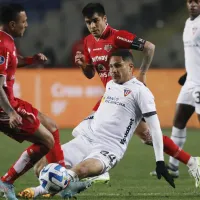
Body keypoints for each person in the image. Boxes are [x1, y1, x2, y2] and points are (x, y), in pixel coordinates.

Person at [18, 49, 177, 199]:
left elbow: (155, 127)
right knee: (40, 167)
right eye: (111, 66)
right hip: (86, 139)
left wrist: (160, 161)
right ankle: (78, 183)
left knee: (81, 169)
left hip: (108, 148)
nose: (113, 70)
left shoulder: (141, 92)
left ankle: (38, 190)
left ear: (130, 67)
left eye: (118, 66)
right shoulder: (111, 85)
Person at [73, 2, 197, 181]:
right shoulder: (88, 42)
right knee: (147, 136)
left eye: (95, 21)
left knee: (86, 130)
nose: (92, 26)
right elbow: (91, 73)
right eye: (88, 22)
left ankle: (100, 168)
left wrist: (143, 74)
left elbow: (150, 47)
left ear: (104, 19)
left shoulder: (117, 37)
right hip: (111, 97)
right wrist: (83, 65)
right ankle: (192, 162)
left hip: (127, 96)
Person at [0, 4, 65, 199]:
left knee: (52, 126)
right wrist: (11, 112)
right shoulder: (2, 44)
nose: (26, 25)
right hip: (4, 107)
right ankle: (6, 181)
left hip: (10, 101)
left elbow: (12, 61)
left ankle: (62, 179)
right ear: (12, 24)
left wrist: (30, 60)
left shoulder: (7, 41)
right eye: (24, 21)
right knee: (46, 141)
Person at [150, 0, 200, 180]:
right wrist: (189, 74)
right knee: (178, 121)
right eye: (190, 1)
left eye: (197, 1)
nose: (193, 5)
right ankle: (173, 166)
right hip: (190, 82)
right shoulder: (188, 23)